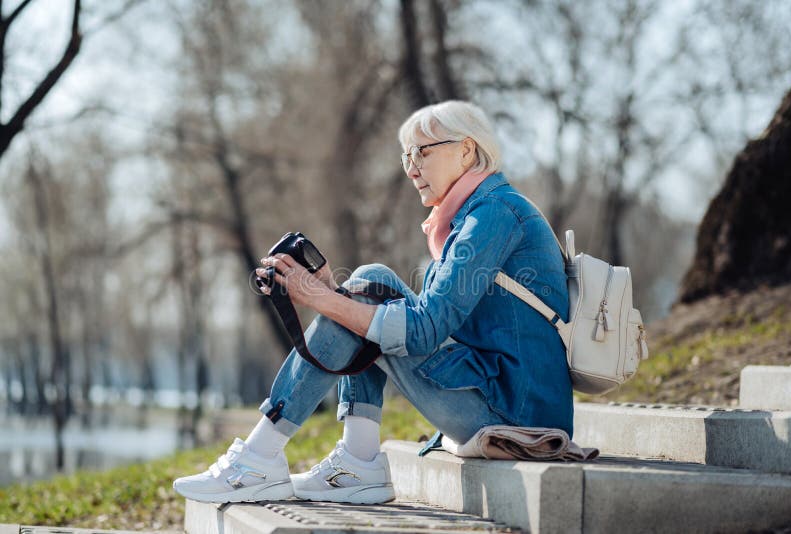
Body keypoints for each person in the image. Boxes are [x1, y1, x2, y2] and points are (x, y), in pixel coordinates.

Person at [172, 100, 573, 505]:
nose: (412, 168)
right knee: (372, 279)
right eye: (407, 157)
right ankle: (358, 460)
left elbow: (425, 330)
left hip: (515, 418)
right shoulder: (479, 214)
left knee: (361, 300)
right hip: (501, 393)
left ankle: (258, 458)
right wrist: (333, 291)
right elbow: (428, 324)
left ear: (466, 151)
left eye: (423, 152)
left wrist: (324, 299)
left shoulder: (493, 216)